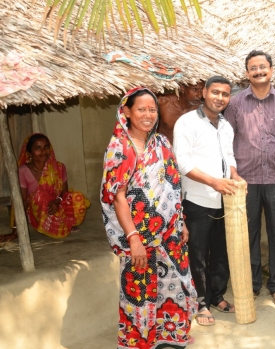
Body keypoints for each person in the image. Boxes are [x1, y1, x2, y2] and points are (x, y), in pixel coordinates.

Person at [101, 87, 197, 349]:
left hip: (169, 233)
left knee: (175, 283)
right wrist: (133, 239)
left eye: (152, 109)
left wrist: (181, 222)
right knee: (140, 291)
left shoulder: (162, 144)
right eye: (141, 109)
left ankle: (170, 335)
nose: (148, 115)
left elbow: (173, 186)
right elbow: (118, 197)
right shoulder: (119, 148)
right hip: (137, 236)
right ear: (127, 112)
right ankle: (141, 341)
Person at [224, 50, 275, 306]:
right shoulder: (234, 103)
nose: (258, 71)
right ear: (247, 74)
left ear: (271, 69)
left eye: (262, 67)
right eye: (253, 68)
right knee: (249, 234)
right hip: (246, 181)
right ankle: (252, 283)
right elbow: (226, 140)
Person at [173, 76, 241, 326]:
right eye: (215, 92)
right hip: (198, 200)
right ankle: (201, 302)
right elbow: (182, 163)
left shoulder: (226, 125)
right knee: (198, 254)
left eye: (225, 94)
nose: (220, 98)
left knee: (221, 252)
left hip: (225, 200)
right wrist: (214, 182)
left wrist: (234, 176)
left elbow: (229, 157)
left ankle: (218, 296)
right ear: (204, 92)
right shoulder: (187, 122)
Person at [17, 133, 90, 238]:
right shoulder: (23, 171)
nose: (43, 151)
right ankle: (55, 225)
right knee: (40, 196)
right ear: (29, 153)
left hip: (56, 204)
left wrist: (57, 201)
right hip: (39, 209)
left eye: (46, 147)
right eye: (38, 148)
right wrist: (16, 230)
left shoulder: (59, 167)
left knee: (77, 197)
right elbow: (22, 200)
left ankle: (65, 222)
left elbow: (64, 192)